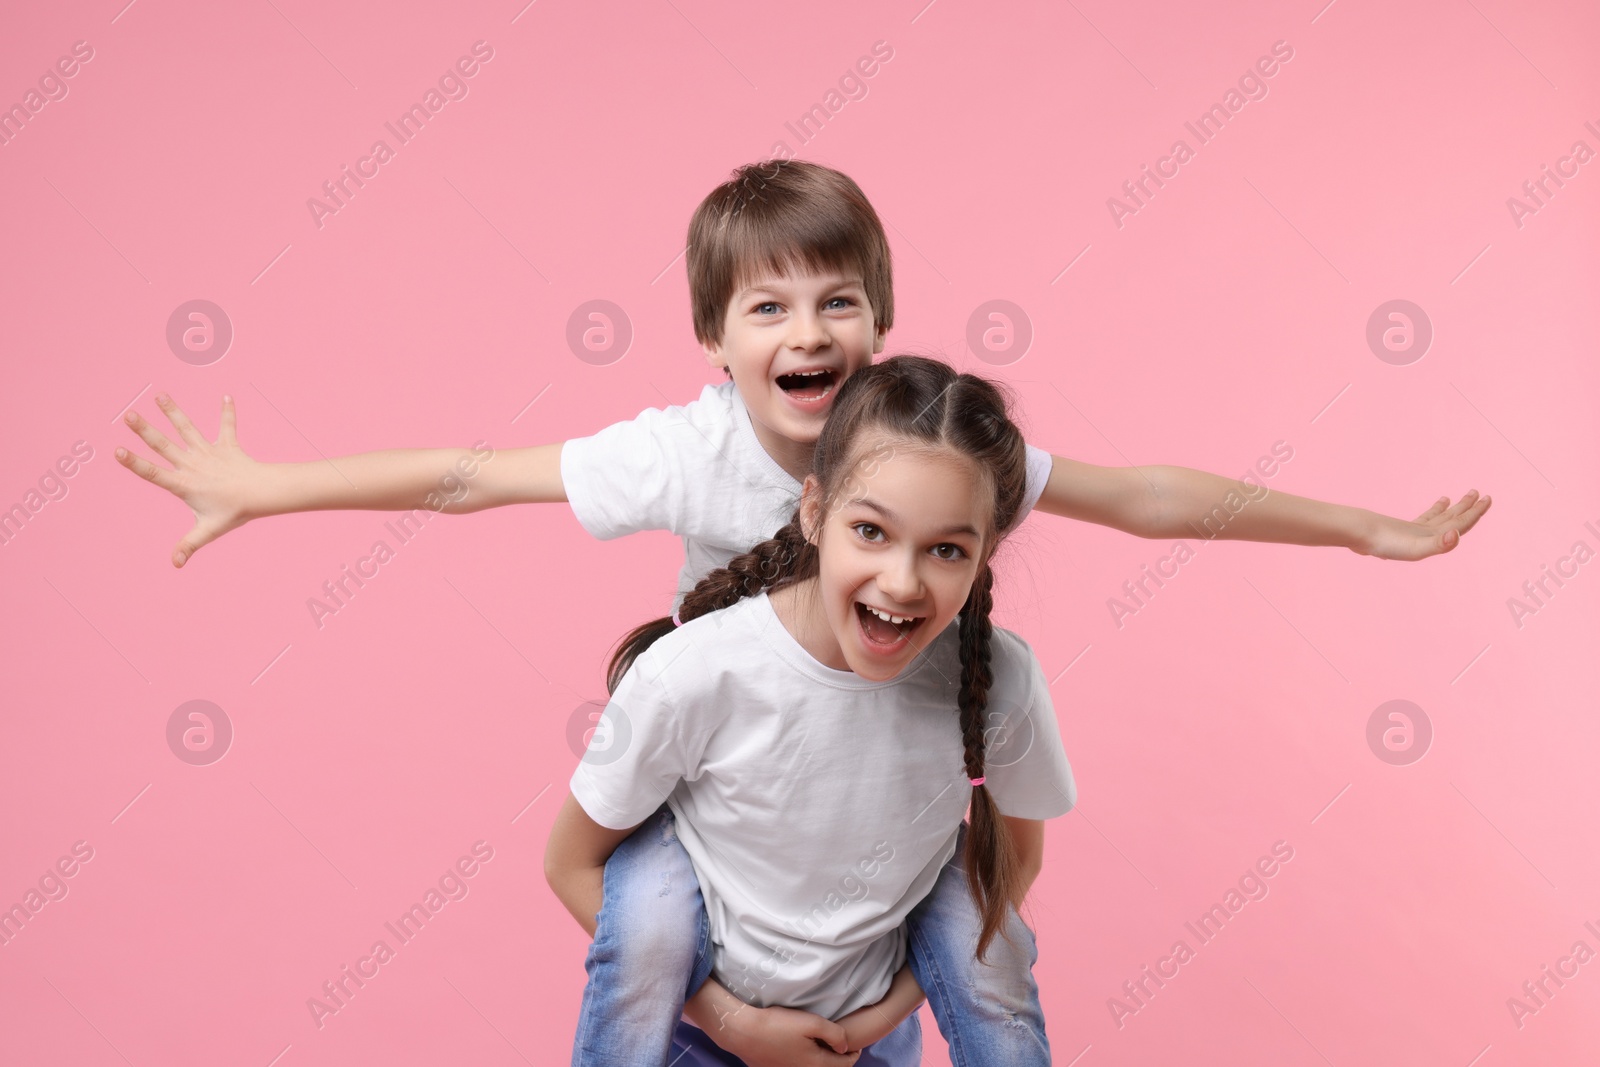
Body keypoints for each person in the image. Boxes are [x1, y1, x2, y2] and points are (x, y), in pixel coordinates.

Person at [114, 159, 1491, 1063]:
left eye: (838, 298)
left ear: (881, 319)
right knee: (646, 933)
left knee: (981, 956)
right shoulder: (683, 452)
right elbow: (474, 474)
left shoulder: (922, 448)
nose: (807, 328)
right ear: (716, 342)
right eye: (766, 305)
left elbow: (1140, 493)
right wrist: (268, 485)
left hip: (877, 785)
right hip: (724, 779)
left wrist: (1364, 526)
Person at [546, 356, 1076, 1065]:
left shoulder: (999, 680)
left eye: (946, 548)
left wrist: (879, 1017)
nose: (902, 579)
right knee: (648, 921)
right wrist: (729, 1020)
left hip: (860, 1038)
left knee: (994, 950)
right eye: (871, 531)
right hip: (697, 1030)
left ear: (985, 554)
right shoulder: (696, 671)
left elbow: (1013, 860)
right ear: (815, 509)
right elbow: (569, 861)